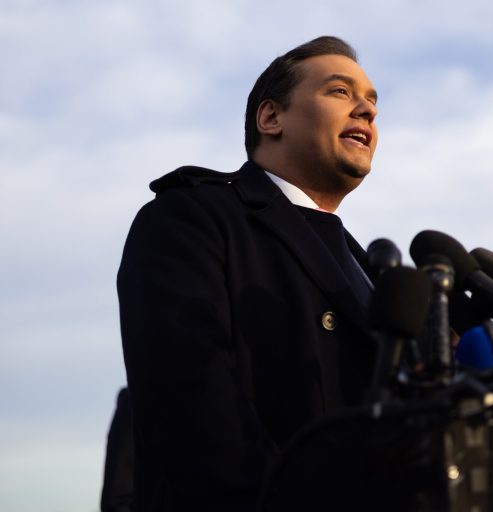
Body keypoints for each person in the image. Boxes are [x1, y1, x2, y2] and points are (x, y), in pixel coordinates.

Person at [117, 36, 379, 511]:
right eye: (340, 92)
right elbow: (194, 414)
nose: (367, 110)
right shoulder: (191, 219)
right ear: (271, 118)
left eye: (371, 101)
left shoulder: (372, 271)